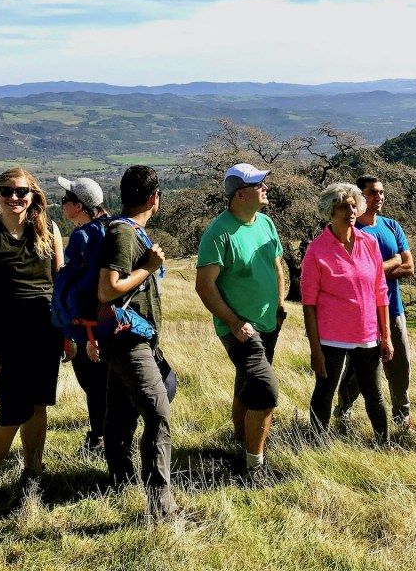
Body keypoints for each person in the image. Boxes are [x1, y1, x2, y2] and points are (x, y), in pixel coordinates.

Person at [0, 169, 64, 495]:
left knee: (38, 406)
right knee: (12, 412)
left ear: (32, 194)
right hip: (7, 341)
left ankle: (33, 473)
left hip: (45, 335)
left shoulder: (48, 230)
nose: (14, 197)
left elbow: (60, 285)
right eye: (6, 191)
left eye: (20, 191)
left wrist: (68, 333)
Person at [95, 165, 177, 522]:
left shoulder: (130, 232)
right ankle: (161, 506)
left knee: (121, 411)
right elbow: (108, 288)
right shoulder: (124, 235)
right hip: (128, 340)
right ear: (154, 198)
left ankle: (118, 477)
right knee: (158, 414)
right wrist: (148, 266)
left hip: (133, 337)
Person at [195, 163, 285, 477]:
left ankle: (238, 438)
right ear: (240, 195)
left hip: (269, 321)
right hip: (240, 327)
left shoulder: (266, 224)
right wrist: (233, 322)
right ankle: (254, 466)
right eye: (259, 184)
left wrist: (280, 305)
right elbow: (204, 286)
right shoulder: (218, 233)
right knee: (265, 389)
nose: (266, 187)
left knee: (247, 382)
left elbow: (276, 265)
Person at [302, 182, 393, 444]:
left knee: (374, 393)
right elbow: (308, 303)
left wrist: (385, 335)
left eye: (354, 205)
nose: (351, 211)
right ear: (330, 211)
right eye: (343, 206)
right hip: (330, 338)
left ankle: (383, 443)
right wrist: (315, 348)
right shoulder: (316, 250)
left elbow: (380, 291)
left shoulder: (370, 243)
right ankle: (317, 444)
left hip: (367, 335)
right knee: (325, 391)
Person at [336, 176, 415, 428]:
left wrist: (375, 270)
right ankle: (343, 410)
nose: (378, 197)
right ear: (360, 196)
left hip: (393, 308)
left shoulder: (392, 226)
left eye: (381, 192)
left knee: (400, 367)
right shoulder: (351, 230)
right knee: (361, 370)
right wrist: (392, 262)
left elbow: (409, 266)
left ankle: (402, 417)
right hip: (362, 313)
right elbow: (351, 274)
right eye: (372, 193)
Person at [55, 175, 110, 450]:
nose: (62, 204)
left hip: (87, 327)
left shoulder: (82, 237)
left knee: (93, 385)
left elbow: (76, 287)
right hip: (110, 324)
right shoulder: (113, 228)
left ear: (79, 206)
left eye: (66, 200)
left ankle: (99, 438)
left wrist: (78, 331)